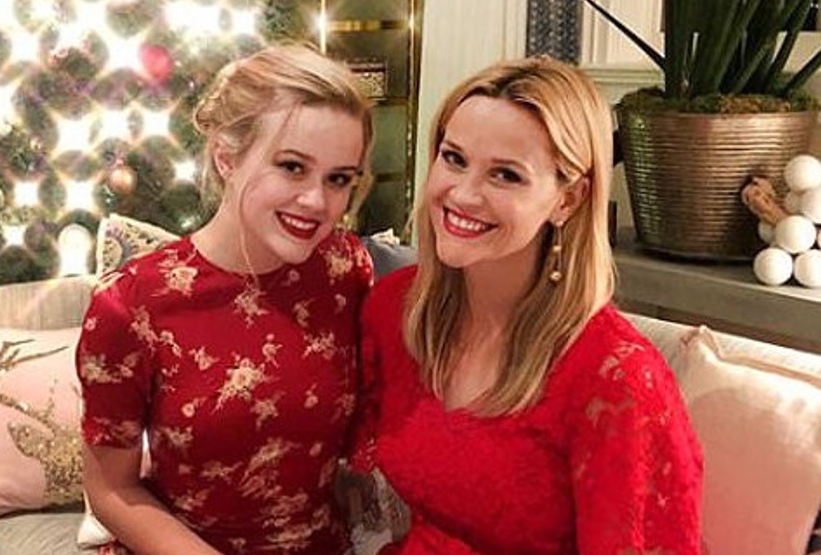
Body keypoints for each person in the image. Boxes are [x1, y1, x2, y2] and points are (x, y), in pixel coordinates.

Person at [352, 56, 703, 554]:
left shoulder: (617, 379)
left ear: (568, 199)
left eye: (506, 175)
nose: (462, 194)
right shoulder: (396, 309)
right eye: (454, 158)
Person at [76, 42, 376, 555]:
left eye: (339, 179)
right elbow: (111, 489)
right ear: (226, 158)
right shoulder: (132, 303)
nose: (317, 201)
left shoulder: (345, 271)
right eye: (292, 167)